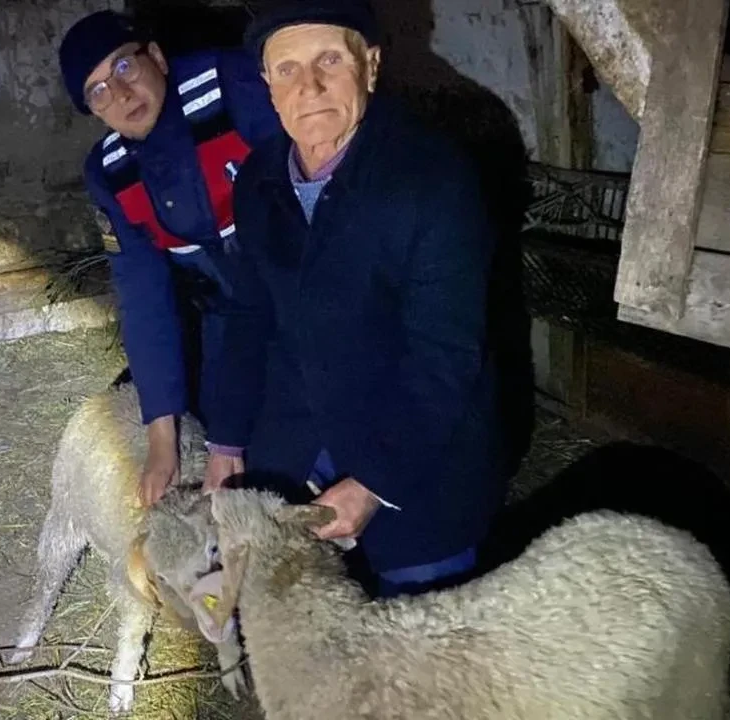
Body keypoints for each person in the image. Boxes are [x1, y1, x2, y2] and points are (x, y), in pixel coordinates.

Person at [203, 0, 509, 599]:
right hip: (296, 441)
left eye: (329, 60)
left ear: (370, 66)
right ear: (267, 85)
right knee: (291, 615)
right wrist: (227, 439)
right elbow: (248, 314)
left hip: (418, 453)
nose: (309, 86)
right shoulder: (260, 180)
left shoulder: (434, 179)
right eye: (287, 69)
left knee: (421, 629)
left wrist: (373, 482)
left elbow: (444, 355)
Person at [57, 11, 281, 507]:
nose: (120, 95)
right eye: (98, 92)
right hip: (227, 317)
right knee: (228, 458)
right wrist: (162, 438)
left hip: (303, 292)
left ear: (156, 56)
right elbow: (143, 296)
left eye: (123, 67)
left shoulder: (230, 86)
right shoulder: (111, 174)